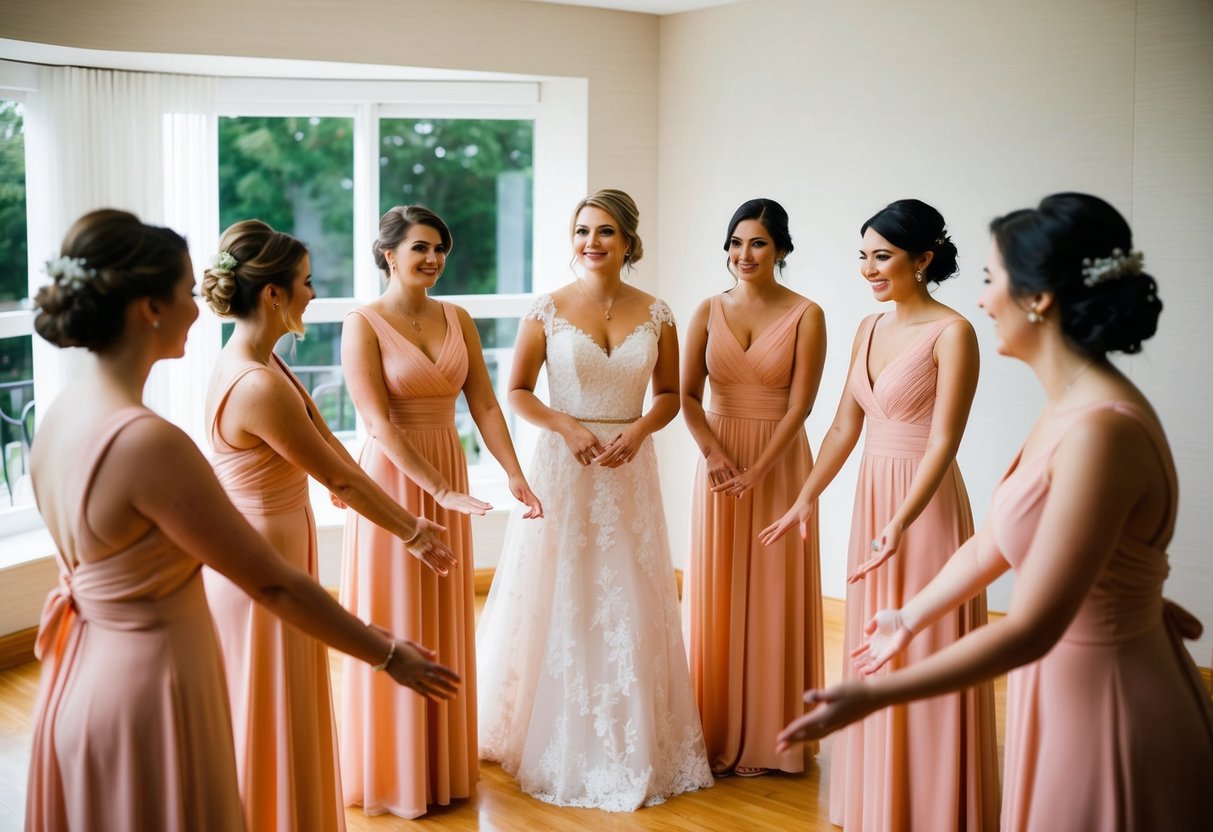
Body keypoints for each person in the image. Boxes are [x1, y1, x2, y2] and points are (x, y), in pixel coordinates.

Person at [777, 192, 1213, 831]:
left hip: (1108, 700)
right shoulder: (1068, 407)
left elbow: (1032, 626)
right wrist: (910, 616)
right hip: (1062, 686)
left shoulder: (1100, 427)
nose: (981, 299)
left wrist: (874, 693)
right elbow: (995, 545)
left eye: (992, 280)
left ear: (1038, 298)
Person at [23, 209, 458, 832]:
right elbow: (273, 582)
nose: (200, 308)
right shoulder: (150, 442)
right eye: (183, 294)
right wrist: (389, 654)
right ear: (149, 306)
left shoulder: (63, 414)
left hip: (79, 677)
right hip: (148, 687)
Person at [199, 219, 467, 831]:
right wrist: (415, 531)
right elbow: (340, 480)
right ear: (273, 294)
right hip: (262, 556)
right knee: (269, 707)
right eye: (306, 282)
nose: (314, 294)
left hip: (278, 539)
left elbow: (327, 448)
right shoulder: (259, 382)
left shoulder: (257, 361)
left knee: (284, 702)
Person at [762, 199, 999, 829]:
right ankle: (877, 801)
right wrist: (806, 494)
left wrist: (901, 521)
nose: (869, 269)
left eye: (883, 256)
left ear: (923, 260)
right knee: (874, 643)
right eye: (863, 256)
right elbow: (844, 423)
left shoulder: (954, 333)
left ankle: (934, 804)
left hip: (925, 503)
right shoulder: (867, 328)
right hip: (873, 493)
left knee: (924, 644)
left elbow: (946, 441)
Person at [477, 188, 713, 811]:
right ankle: (546, 726)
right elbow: (520, 391)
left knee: (628, 591)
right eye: (582, 230)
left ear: (629, 241)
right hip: (567, 461)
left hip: (629, 468)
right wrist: (566, 426)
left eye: (605, 231)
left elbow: (670, 396)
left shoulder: (658, 313)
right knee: (561, 586)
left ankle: (631, 735)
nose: (591, 242)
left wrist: (637, 431)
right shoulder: (546, 309)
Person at [339, 205, 542, 819]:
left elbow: (484, 406)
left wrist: (512, 471)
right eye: (420, 248)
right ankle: (391, 771)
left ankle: (440, 764)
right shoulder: (363, 323)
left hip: (447, 466)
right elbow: (376, 423)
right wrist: (438, 491)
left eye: (440, 249)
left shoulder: (458, 317)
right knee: (396, 616)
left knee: (443, 616)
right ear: (388, 254)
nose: (432, 259)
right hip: (394, 480)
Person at [681, 198, 826, 777]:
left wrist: (762, 469)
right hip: (718, 463)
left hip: (780, 463)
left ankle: (774, 737)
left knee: (774, 590)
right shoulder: (705, 311)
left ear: (782, 250)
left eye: (759, 243)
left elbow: (802, 405)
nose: (744, 254)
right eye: (737, 243)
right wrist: (715, 455)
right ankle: (713, 728)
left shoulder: (807, 314)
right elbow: (685, 397)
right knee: (717, 590)